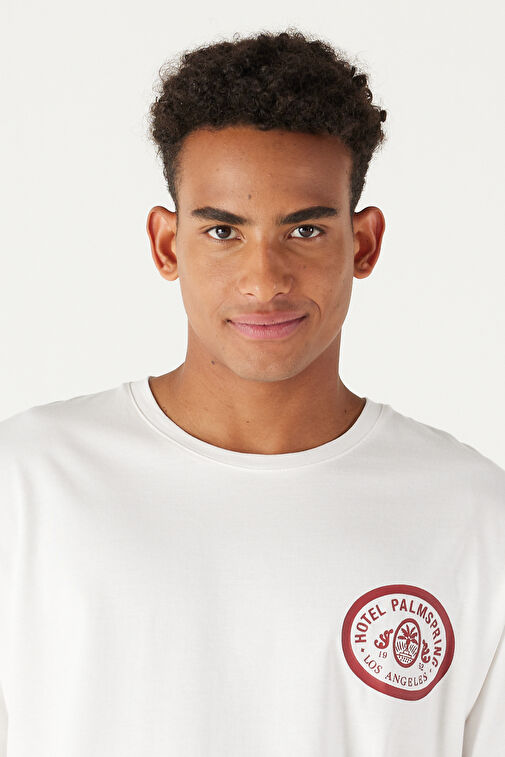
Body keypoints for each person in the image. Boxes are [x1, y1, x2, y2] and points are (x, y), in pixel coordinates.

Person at [0, 28, 503, 757]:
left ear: (362, 243)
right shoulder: (26, 483)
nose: (264, 282)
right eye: (223, 232)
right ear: (167, 244)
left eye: (304, 231)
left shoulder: (473, 516)